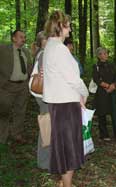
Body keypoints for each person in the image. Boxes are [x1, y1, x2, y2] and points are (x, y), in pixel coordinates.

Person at [43, 10, 89, 187]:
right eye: (68, 26)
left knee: (65, 144)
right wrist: (84, 93)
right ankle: (67, 185)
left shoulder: (50, 46)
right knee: (68, 147)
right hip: (65, 105)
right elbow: (73, 79)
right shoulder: (59, 49)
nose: (70, 30)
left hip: (60, 103)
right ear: (60, 26)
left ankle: (64, 183)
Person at [0, 30, 32, 144]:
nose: (23, 39)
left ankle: (16, 134)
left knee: (20, 111)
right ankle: (2, 137)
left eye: (24, 37)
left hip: (23, 86)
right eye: (21, 37)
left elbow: (29, 68)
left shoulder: (26, 52)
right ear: (14, 38)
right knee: (4, 111)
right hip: (6, 86)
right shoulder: (3, 49)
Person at [29, 31, 49, 170]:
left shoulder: (41, 54)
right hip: (45, 97)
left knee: (46, 127)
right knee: (46, 128)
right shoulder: (44, 54)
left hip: (43, 96)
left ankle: (46, 160)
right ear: (43, 41)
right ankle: (44, 162)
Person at [92, 47, 116, 141]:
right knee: (102, 113)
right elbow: (96, 79)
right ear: (98, 56)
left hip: (112, 91)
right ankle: (104, 135)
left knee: (115, 112)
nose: (105, 55)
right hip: (102, 93)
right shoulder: (96, 66)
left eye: (106, 53)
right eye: (103, 54)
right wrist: (107, 86)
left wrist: (114, 85)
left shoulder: (111, 65)